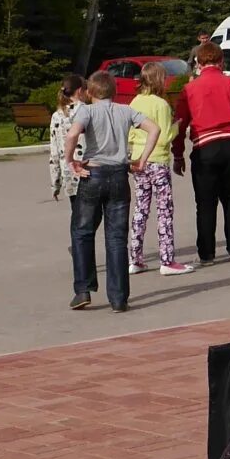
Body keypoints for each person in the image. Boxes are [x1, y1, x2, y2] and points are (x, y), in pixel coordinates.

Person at [61, 71, 162, 313]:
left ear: (89, 92)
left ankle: (83, 289)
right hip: (119, 175)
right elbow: (154, 129)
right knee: (116, 238)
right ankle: (118, 297)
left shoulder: (86, 111)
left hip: (93, 174)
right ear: (114, 91)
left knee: (82, 231)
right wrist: (142, 160)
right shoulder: (125, 110)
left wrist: (71, 161)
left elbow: (73, 134)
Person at [176, 42, 230, 266]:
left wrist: (177, 154)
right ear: (221, 61)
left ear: (198, 63)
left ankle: (207, 252)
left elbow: (179, 124)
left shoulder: (189, 90)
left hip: (204, 146)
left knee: (205, 202)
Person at [126, 62, 193, 276]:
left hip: (138, 159)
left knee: (140, 209)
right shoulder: (161, 104)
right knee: (164, 210)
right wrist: (177, 126)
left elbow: (130, 133)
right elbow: (163, 136)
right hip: (157, 160)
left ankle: (135, 258)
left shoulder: (135, 102)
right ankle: (167, 260)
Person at [51, 76, 89, 306]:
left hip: (69, 175)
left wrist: (55, 182)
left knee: (79, 216)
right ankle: (80, 249)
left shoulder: (57, 116)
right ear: (81, 91)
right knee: (90, 218)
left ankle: (78, 246)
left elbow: (54, 152)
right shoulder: (88, 111)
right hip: (87, 170)